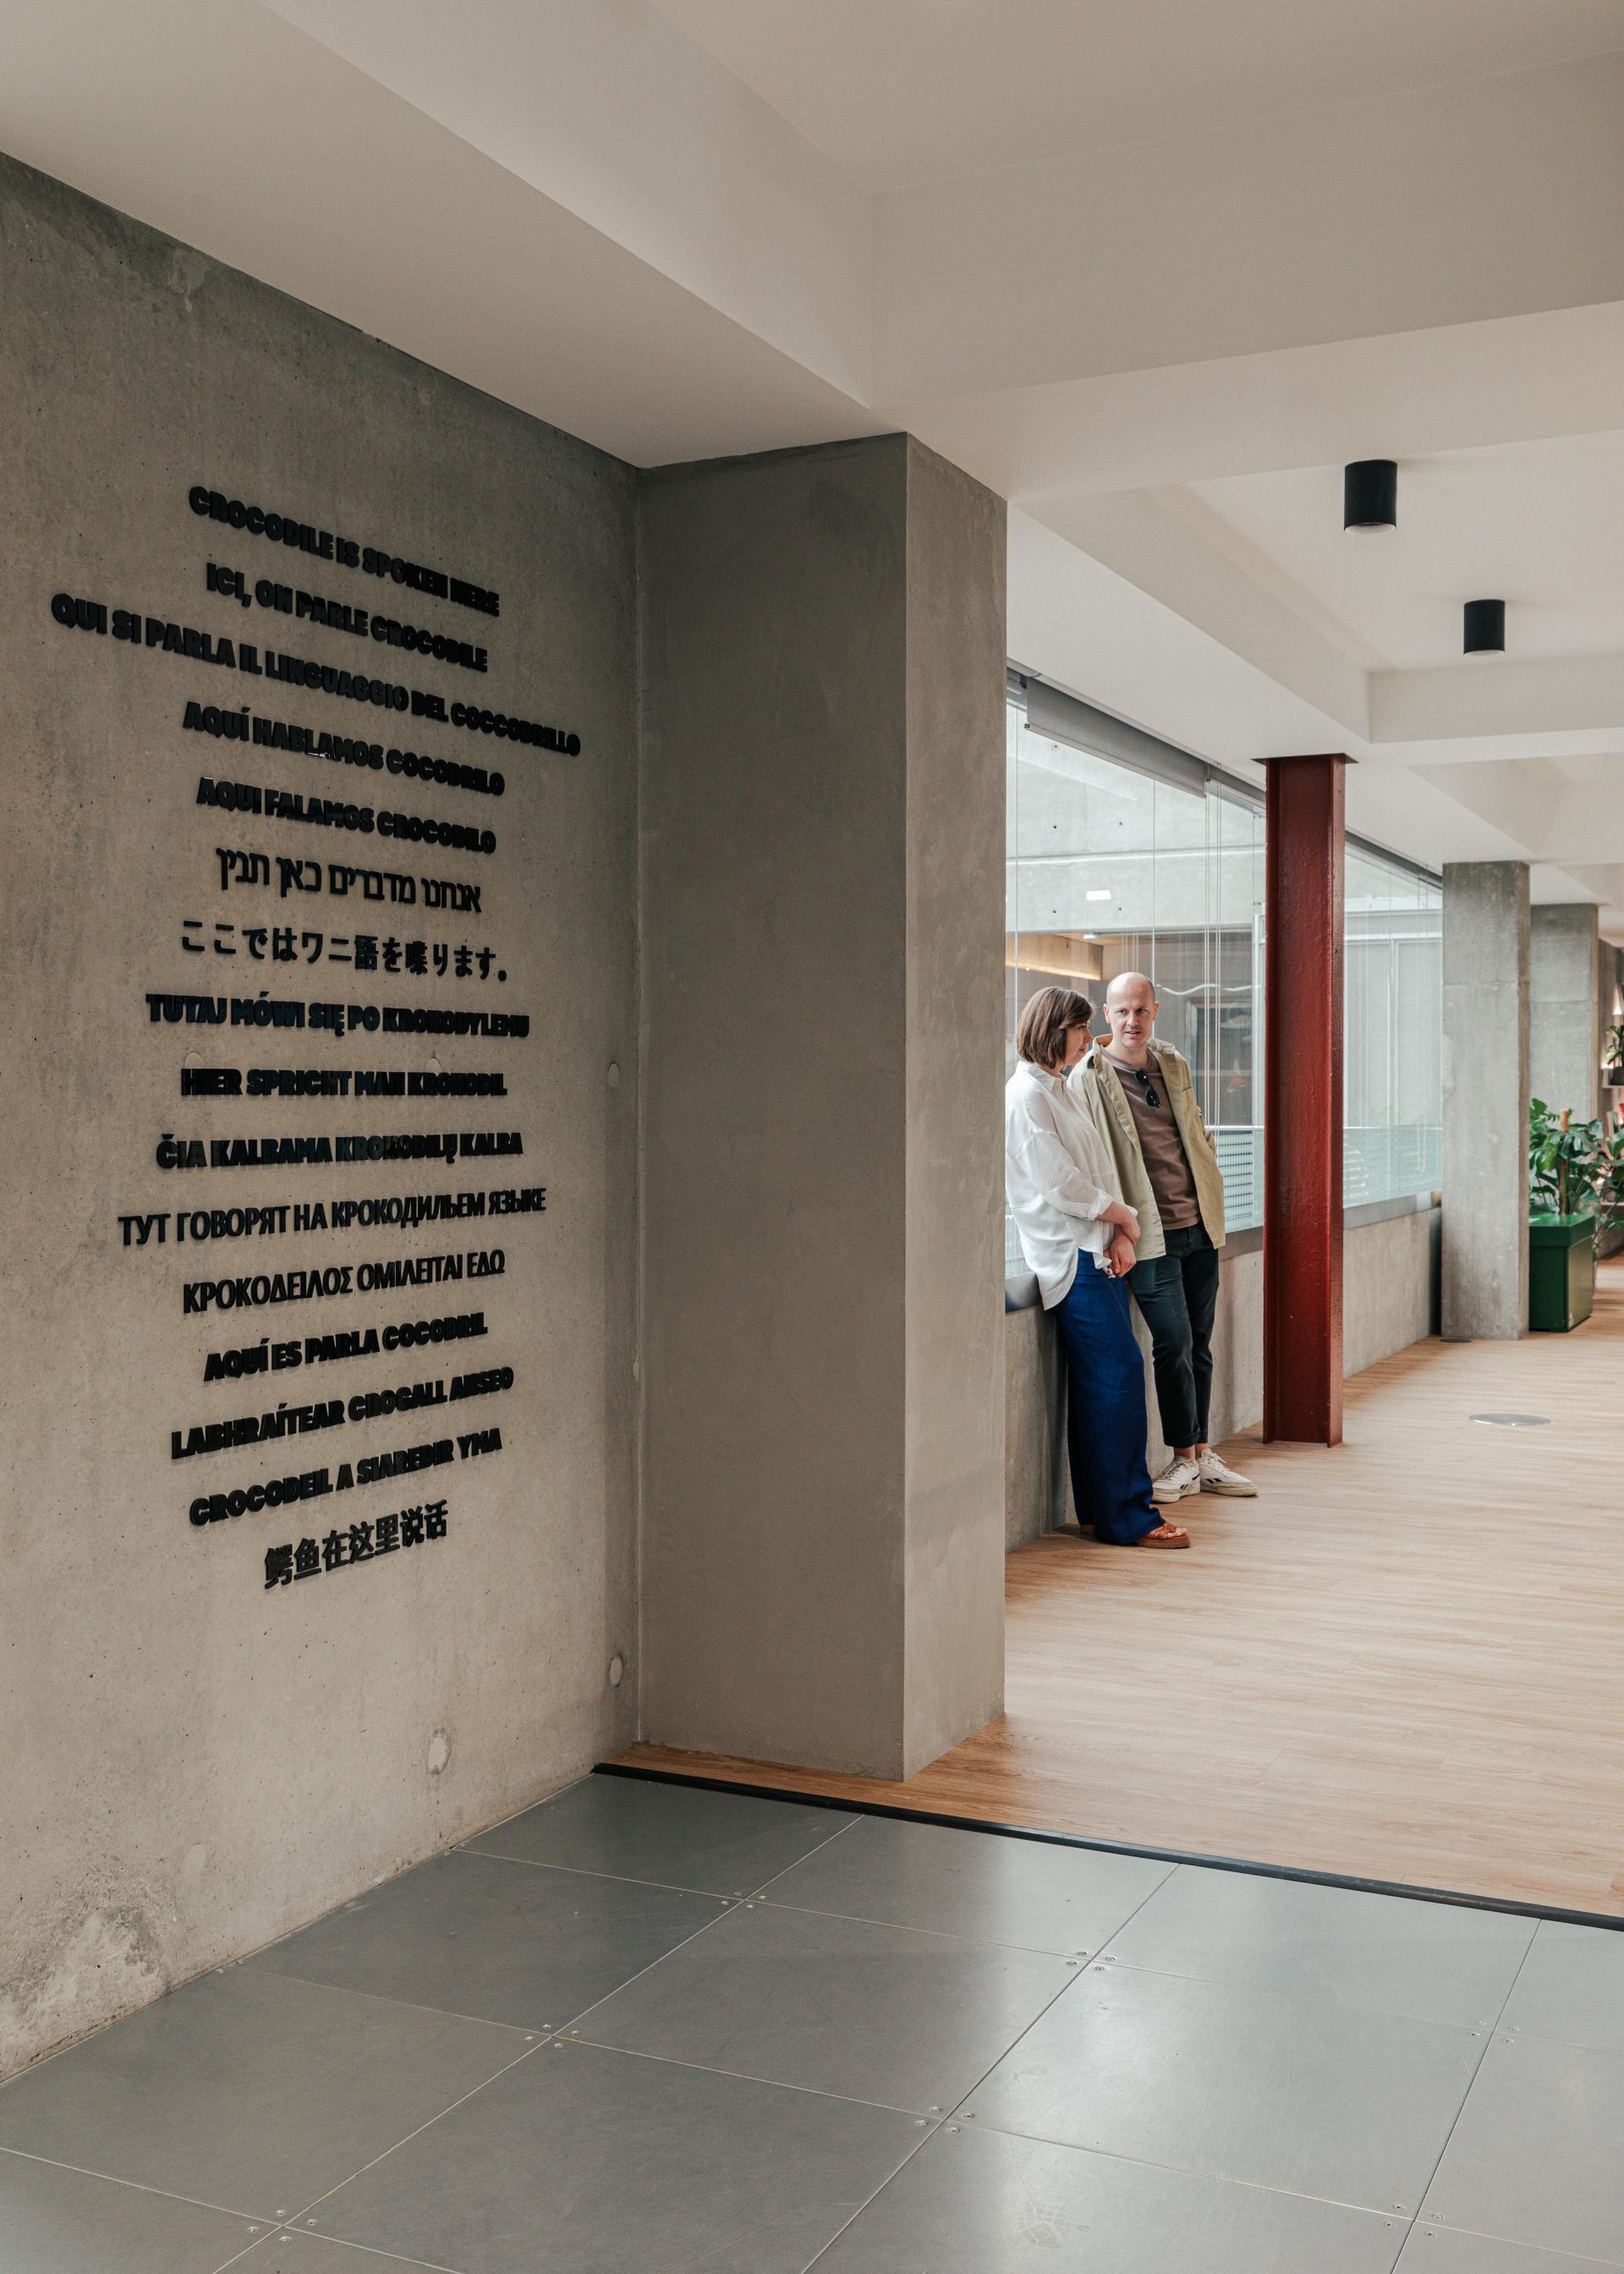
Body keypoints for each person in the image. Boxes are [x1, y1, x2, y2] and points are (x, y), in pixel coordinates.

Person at [1006, 985, 1190, 1549]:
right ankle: (1130, 1518)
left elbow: (1097, 1169)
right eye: (1083, 1029)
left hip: (1092, 1250)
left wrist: (1118, 1229)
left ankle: (1102, 1513)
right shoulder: (1026, 1096)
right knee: (1118, 1379)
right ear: (1056, 1030)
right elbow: (1061, 1185)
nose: (1092, 1039)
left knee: (1102, 1384)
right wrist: (1126, 1220)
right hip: (1069, 1259)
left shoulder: (1057, 1089)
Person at [1072, 970, 1257, 1504]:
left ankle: (1201, 1453)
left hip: (1198, 1223)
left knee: (1199, 1343)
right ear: (1106, 1016)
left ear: (1156, 1012)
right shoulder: (1089, 1076)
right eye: (1122, 1012)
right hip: (1146, 1233)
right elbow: (1093, 1164)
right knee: (1172, 1342)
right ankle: (1181, 1457)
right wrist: (1114, 1232)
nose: (1132, 1021)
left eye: (1142, 1011)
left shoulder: (1172, 1063)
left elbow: (1193, 1134)